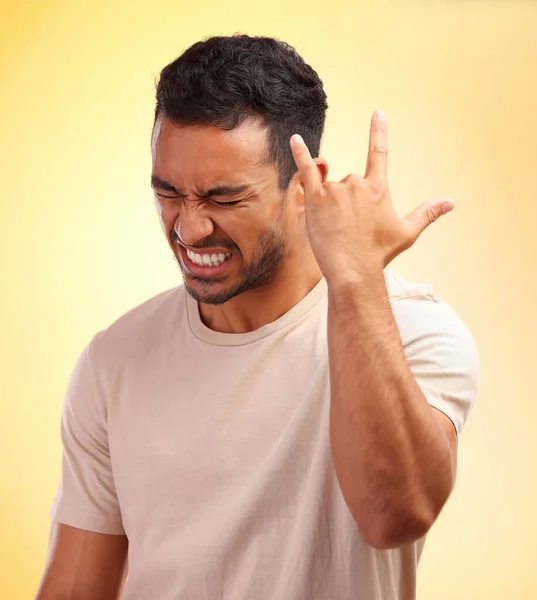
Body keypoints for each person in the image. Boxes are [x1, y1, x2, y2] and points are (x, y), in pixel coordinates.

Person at [36, 34, 479, 600]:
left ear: (304, 188)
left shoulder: (418, 330)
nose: (189, 228)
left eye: (224, 199)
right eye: (168, 192)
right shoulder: (115, 359)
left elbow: (394, 516)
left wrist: (356, 275)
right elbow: (76, 588)